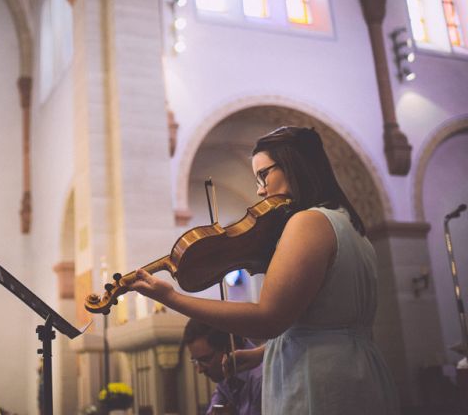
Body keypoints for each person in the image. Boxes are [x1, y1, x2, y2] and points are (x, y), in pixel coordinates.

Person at [132, 126, 399, 414]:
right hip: (357, 369)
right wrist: (261, 354)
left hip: (317, 380)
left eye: (263, 175)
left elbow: (268, 319)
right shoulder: (351, 226)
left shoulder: (308, 222)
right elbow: (329, 325)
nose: (260, 190)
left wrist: (171, 298)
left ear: (294, 165)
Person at [183, 318, 262, 415]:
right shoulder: (225, 372)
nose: (200, 370)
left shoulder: (261, 379)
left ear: (229, 348)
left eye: (205, 360)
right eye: (195, 360)